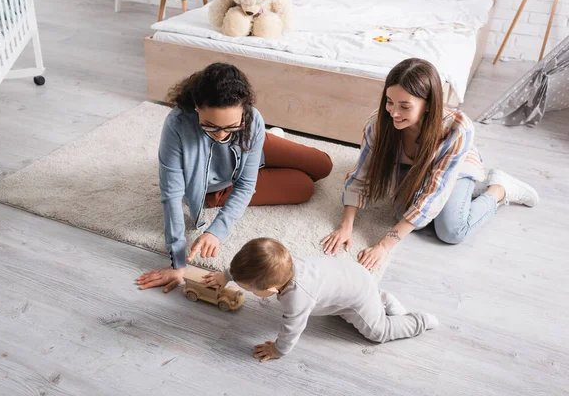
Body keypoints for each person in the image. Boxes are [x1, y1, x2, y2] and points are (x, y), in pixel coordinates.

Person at [321, 58, 539, 270]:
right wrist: (346, 225)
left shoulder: (457, 129)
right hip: (413, 167)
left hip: (455, 167)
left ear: (428, 105)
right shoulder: (379, 124)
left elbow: (435, 193)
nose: (394, 113)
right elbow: (362, 175)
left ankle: (498, 189)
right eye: (389, 102)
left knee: (451, 231)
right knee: (402, 217)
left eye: (405, 106)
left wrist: (383, 245)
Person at [137, 63, 333, 292]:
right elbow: (171, 196)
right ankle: (215, 195)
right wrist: (180, 262)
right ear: (197, 107)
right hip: (214, 181)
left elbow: (247, 183)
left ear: (243, 111)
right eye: (210, 127)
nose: (220, 135)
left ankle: (256, 147)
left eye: (229, 126)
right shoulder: (177, 124)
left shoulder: (251, 119)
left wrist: (237, 131)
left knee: (323, 165)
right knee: (304, 187)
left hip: (247, 143)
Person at [203, 238, 439, 362]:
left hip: (355, 297)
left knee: (378, 332)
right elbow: (250, 266)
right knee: (359, 299)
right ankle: (382, 299)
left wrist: (278, 350)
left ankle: (418, 320)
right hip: (352, 276)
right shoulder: (282, 263)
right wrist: (225, 276)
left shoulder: (296, 300)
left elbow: (291, 330)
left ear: (272, 290)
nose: (249, 291)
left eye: (251, 290)